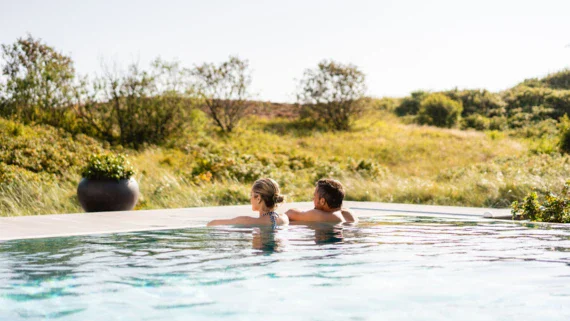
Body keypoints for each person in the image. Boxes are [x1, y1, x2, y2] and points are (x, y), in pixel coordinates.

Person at [207, 178, 289, 228]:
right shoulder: (284, 219)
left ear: (258, 198)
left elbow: (211, 224)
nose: (250, 199)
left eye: (251, 195)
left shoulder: (245, 221)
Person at [286, 178, 358, 223]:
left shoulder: (319, 215)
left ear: (322, 201)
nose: (313, 199)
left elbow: (290, 213)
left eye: (314, 196)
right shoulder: (350, 214)